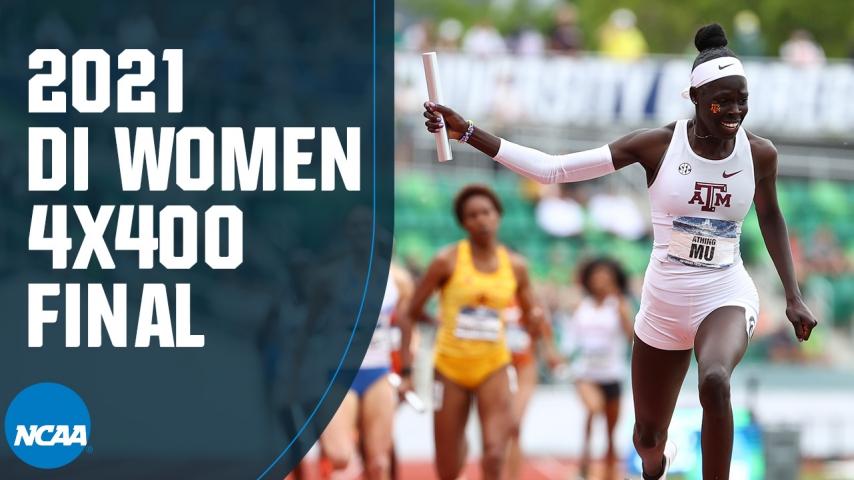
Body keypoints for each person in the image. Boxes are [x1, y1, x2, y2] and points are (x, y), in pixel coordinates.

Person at [422, 23, 818, 480]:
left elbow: (771, 216)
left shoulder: (760, 154)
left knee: (715, 381)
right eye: (722, 101)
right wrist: (468, 132)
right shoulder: (656, 146)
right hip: (665, 302)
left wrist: (793, 294)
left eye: (742, 100)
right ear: (694, 97)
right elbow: (552, 170)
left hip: (724, 292)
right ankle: (655, 463)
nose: (734, 111)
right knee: (647, 437)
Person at [397, 184, 544, 480]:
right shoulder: (446, 260)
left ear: (498, 216)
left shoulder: (516, 267)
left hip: (494, 366)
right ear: (463, 223)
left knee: (494, 454)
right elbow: (409, 314)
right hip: (450, 367)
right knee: (447, 469)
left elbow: (532, 316)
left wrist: (534, 322)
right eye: (472, 215)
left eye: (487, 212)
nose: (481, 220)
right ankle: (459, 442)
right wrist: (408, 369)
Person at [315, 263, 414, 480]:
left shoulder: (397, 280)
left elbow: (407, 323)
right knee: (339, 456)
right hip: (339, 374)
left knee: (379, 463)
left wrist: (407, 371)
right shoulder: (327, 274)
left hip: (378, 373)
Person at [569, 258, 633, 479]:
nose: (601, 280)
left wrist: (623, 313)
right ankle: (585, 456)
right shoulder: (582, 306)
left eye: (606, 276)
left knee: (610, 430)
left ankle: (609, 471)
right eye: (596, 276)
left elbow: (631, 338)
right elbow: (571, 340)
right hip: (586, 373)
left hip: (612, 374)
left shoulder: (619, 305)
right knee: (594, 407)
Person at [503, 300, 562, 480]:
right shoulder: (493, 294)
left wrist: (550, 352)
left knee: (514, 426)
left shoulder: (527, 299)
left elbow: (543, 330)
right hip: (497, 369)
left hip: (524, 368)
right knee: (495, 431)